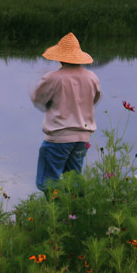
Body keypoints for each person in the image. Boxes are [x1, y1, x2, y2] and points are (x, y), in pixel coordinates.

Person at [30, 32, 101, 192]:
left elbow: (38, 99)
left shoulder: (53, 78)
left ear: (60, 58)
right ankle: (75, 213)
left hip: (58, 137)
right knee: (74, 180)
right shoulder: (92, 77)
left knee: (47, 181)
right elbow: (94, 100)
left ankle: (56, 213)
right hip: (82, 138)